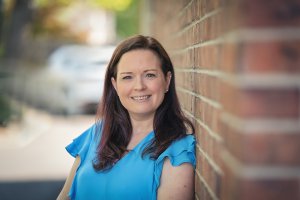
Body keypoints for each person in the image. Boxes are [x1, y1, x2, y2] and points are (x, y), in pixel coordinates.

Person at [57, 35, 196, 200]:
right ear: (115, 85)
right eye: (127, 77)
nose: (139, 86)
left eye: (150, 75)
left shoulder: (177, 151)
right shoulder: (96, 133)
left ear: (167, 80)